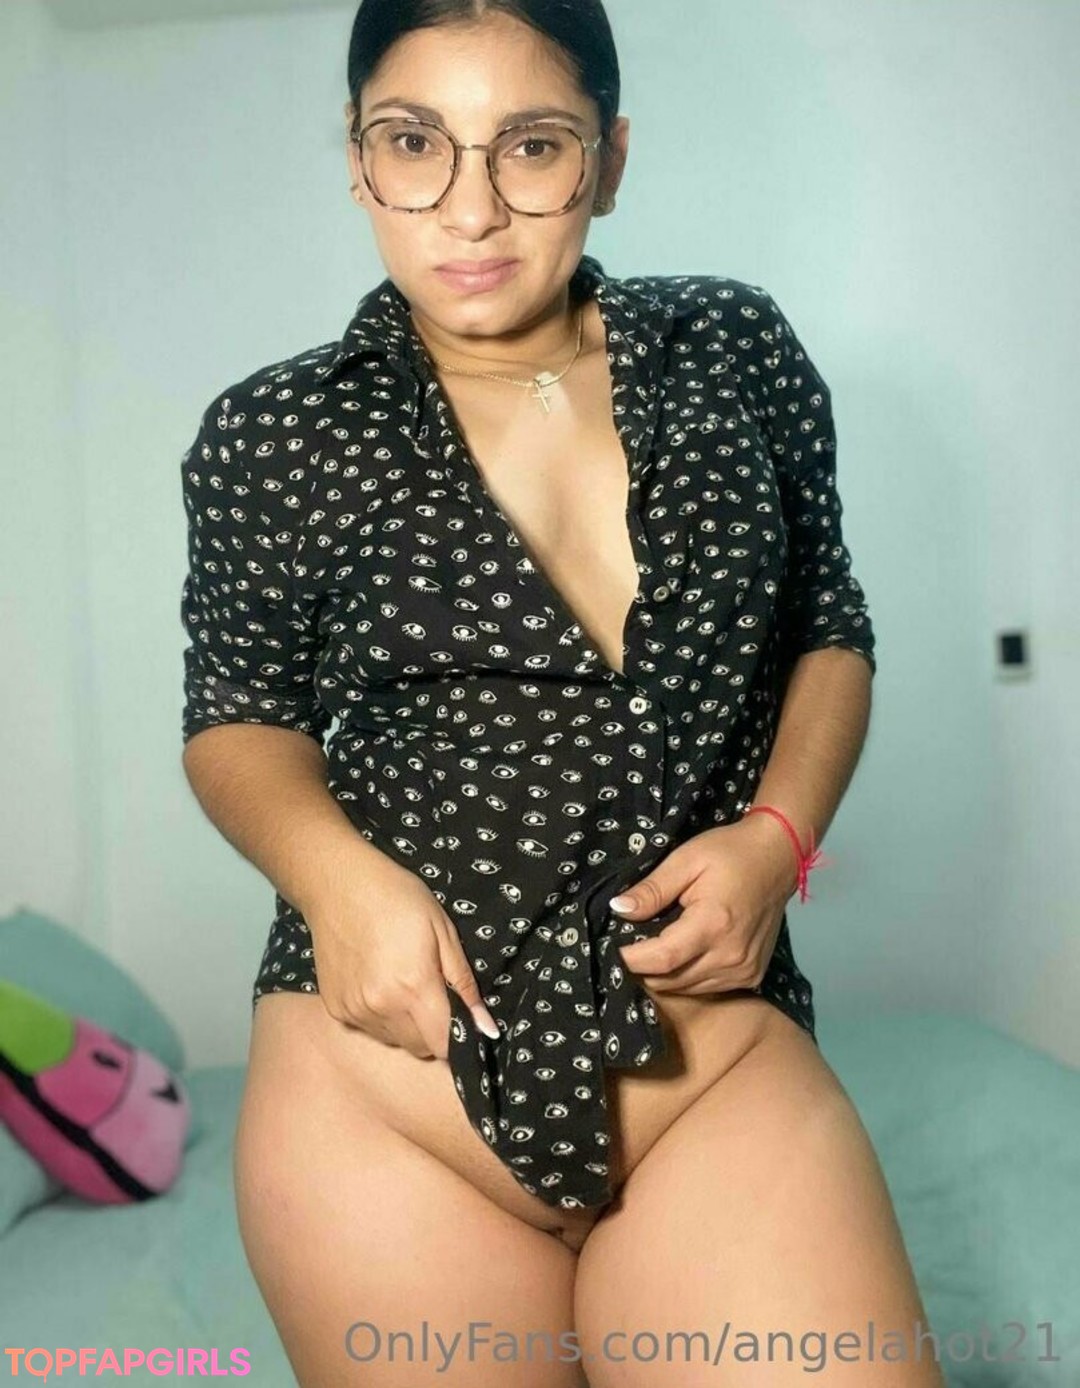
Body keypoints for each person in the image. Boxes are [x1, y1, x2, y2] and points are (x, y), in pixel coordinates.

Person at [179, 2, 946, 1384]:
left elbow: (829, 629)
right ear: (357, 159)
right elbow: (237, 717)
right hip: (389, 1104)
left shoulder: (731, 349)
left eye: (531, 146)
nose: (470, 208)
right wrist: (338, 886)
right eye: (414, 143)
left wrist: (778, 841)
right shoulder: (275, 431)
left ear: (610, 159)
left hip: (709, 1075)